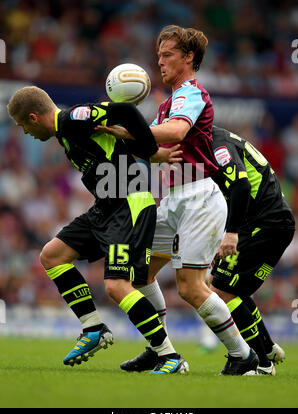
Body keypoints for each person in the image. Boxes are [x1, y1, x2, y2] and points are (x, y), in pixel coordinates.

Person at [97, 25, 258, 375]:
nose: (160, 62)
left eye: (168, 55)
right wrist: (111, 128)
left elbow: (175, 133)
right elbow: (152, 147)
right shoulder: (169, 101)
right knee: (139, 273)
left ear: (188, 58)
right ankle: (160, 350)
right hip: (171, 197)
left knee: (189, 287)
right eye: (158, 56)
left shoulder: (191, 93)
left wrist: (135, 130)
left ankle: (243, 356)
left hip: (199, 196)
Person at [7, 85, 189, 374]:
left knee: (117, 286)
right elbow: (117, 147)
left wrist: (153, 149)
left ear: (32, 117)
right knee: (52, 255)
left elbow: (126, 111)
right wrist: (156, 155)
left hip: (128, 205)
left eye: (22, 126)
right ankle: (93, 328)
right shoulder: (66, 133)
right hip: (105, 208)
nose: (25, 133)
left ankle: (169, 356)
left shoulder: (72, 119)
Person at [209, 125, 295, 375]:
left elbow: (241, 187)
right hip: (269, 224)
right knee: (234, 288)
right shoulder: (222, 139)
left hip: (265, 225)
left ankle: (261, 363)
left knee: (222, 292)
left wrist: (231, 233)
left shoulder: (218, 145)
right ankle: (266, 349)